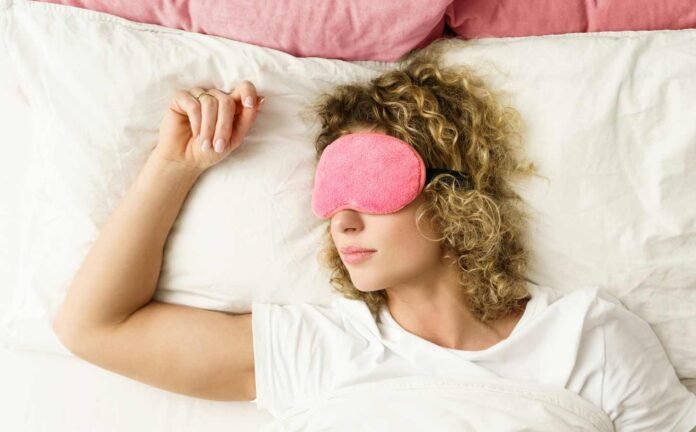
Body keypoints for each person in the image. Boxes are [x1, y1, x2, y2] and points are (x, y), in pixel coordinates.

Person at [51, 39, 696, 430]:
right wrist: (174, 165)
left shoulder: (591, 340)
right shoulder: (319, 348)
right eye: (331, 198)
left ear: (451, 196)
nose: (342, 221)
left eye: (370, 187)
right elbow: (95, 327)